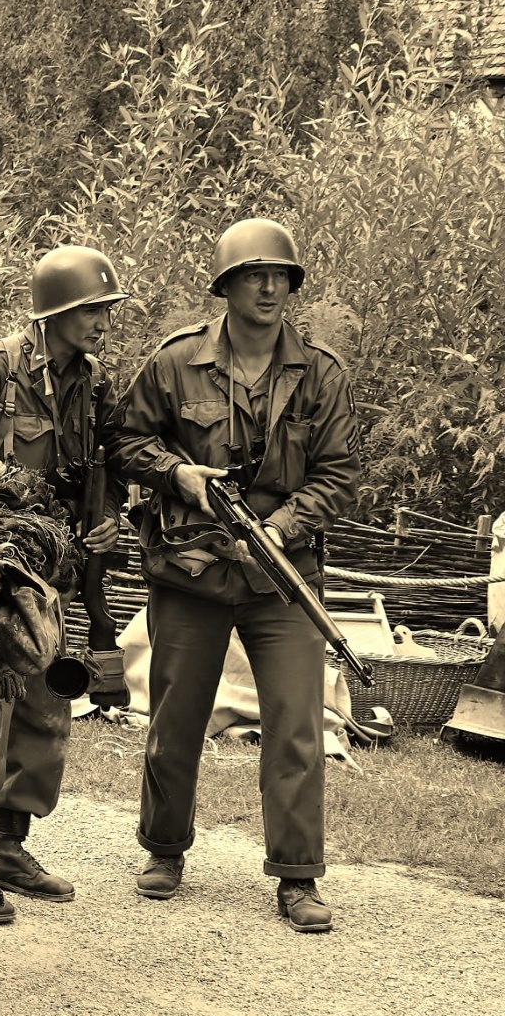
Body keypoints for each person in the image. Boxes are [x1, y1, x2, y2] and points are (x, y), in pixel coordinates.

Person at [110, 218, 362, 932]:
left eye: (280, 276)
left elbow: (340, 474)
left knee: (297, 725)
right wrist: (178, 474)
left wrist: (280, 528)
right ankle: (164, 849)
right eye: (254, 276)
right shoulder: (174, 362)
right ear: (226, 286)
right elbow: (125, 440)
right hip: (191, 568)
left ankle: (298, 875)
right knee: (175, 718)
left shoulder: (322, 374)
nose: (269, 288)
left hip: (282, 576)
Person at [0, 246, 129, 901]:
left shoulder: (97, 385)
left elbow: (114, 466)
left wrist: (110, 519)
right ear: (54, 313)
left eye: (105, 310)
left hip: (51, 568)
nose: (101, 322)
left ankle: (8, 845)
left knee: (44, 700)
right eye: (91, 310)